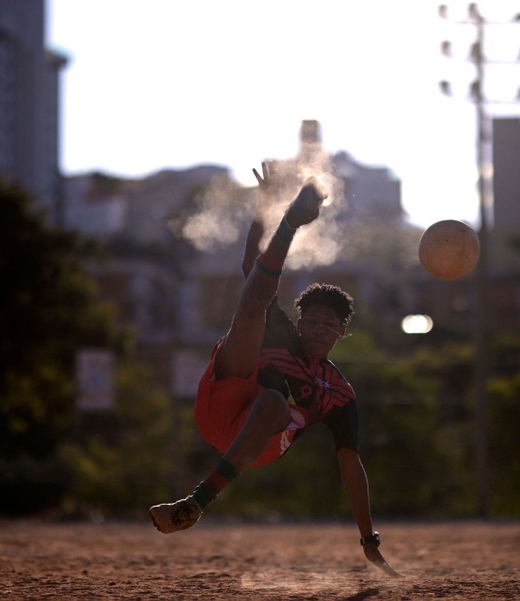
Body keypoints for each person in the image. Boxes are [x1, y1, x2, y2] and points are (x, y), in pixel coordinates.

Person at [149, 162, 400, 577]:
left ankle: (195, 504)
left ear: (342, 332)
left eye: (328, 326)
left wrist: (369, 539)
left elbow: (351, 466)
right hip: (220, 407)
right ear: (301, 323)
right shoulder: (285, 332)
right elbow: (251, 266)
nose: (318, 330)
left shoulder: (339, 393)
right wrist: (264, 206)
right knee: (253, 310)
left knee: (274, 402)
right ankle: (291, 223)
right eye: (312, 322)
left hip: (261, 439)